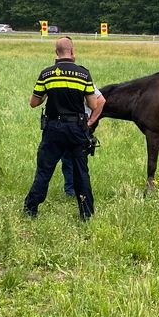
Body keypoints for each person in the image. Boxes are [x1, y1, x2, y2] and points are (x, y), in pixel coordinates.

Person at [24, 37, 101, 220]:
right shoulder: (83, 74)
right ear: (72, 51)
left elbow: (34, 103)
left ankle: (31, 210)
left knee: (44, 170)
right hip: (76, 128)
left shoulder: (47, 74)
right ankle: (86, 214)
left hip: (53, 128)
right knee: (81, 171)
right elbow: (93, 103)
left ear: (56, 52)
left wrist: (47, 95)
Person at [61, 85, 105, 196]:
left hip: (78, 124)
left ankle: (74, 189)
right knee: (68, 158)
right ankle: (72, 188)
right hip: (68, 124)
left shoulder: (82, 79)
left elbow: (100, 101)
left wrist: (91, 122)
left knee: (75, 159)